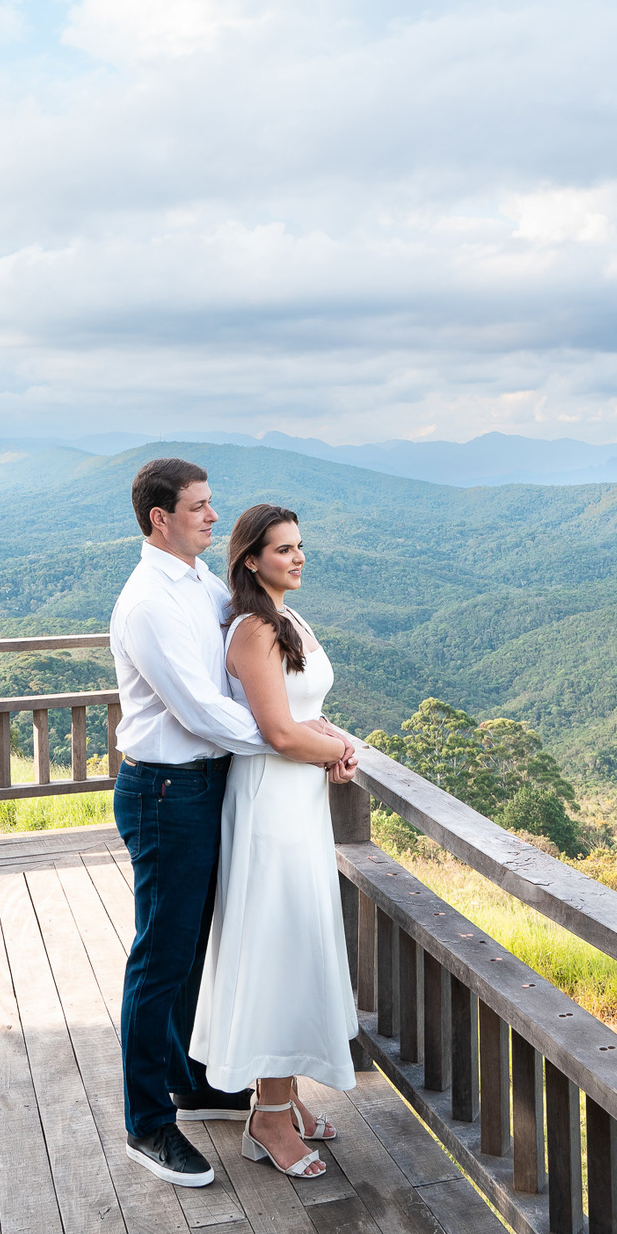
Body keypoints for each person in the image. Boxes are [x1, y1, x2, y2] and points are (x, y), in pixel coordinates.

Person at [110, 459, 356, 1188]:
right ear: (161, 517)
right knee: (161, 956)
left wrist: (309, 736)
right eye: (200, 506)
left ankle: (198, 1082)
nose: (213, 517)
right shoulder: (148, 601)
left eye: (214, 506)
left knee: (205, 945)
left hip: (212, 785)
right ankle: (148, 1124)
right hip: (166, 789)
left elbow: (263, 687)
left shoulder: (205, 586)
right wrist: (305, 746)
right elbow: (207, 711)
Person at [189, 503, 360, 1181]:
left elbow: (307, 716)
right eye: (283, 549)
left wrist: (340, 742)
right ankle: (266, 1116)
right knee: (276, 948)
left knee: (297, 943)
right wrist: (324, 752)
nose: (297, 557)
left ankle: (285, 1103)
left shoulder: (291, 619)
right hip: (270, 805)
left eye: (299, 545)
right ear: (251, 560)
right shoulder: (254, 630)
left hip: (301, 804)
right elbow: (279, 733)